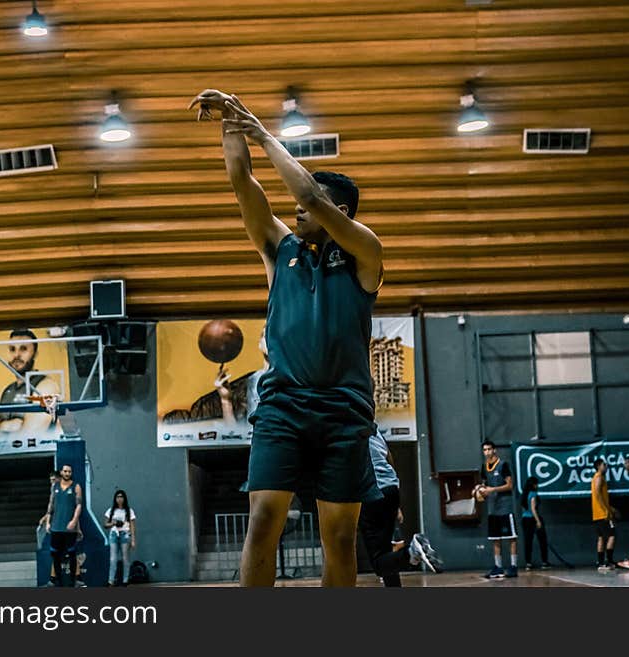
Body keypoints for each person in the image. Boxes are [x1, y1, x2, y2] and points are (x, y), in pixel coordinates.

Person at [189, 89, 384, 587]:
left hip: (344, 410)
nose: (295, 213)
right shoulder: (281, 250)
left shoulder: (365, 252)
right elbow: (242, 182)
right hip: (284, 405)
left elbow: (310, 197)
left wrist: (263, 132)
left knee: (339, 538)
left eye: (310, 206)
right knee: (262, 523)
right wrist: (232, 123)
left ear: (340, 211)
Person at [358, 432, 441, 586]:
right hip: (391, 489)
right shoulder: (375, 431)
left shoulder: (347, 428)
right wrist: (397, 506)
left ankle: (412, 551)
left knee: (379, 563)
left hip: (371, 491)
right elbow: (389, 458)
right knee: (386, 553)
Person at [0, 329, 61, 435]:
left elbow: (30, 436)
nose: (17, 355)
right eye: (12, 349)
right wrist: (2, 426)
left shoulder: (46, 386)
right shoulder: (7, 390)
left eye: (23, 349)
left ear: (35, 354)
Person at [479, 440, 518, 578]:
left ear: (494, 450)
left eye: (489, 449)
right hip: (492, 508)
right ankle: (498, 567)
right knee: (495, 539)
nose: (487, 452)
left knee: (511, 537)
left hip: (505, 507)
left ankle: (513, 566)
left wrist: (493, 489)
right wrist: (479, 491)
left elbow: (510, 485)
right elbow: (483, 485)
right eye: (485, 450)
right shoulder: (484, 467)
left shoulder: (503, 465)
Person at [45, 464, 82, 586]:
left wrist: (74, 521)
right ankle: (58, 581)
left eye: (69, 471)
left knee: (72, 555)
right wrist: (48, 522)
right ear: (61, 472)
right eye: (65, 471)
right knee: (55, 555)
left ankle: (74, 581)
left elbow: (79, 506)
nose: (67, 473)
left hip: (69, 529)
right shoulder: (54, 487)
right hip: (56, 527)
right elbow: (51, 505)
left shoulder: (76, 486)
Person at [104, 490, 136, 586]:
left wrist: (133, 540)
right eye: (117, 497)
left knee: (125, 558)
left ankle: (125, 580)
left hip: (125, 534)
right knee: (113, 558)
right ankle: (111, 581)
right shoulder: (111, 510)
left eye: (121, 497)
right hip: (114, 534)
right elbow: (105, 524)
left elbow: (132, 526)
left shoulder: (129, 511)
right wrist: (113, 523)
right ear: (115, 498)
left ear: (124, 498)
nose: (119, 499)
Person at [590, 457, 617, 572]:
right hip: (602, 514)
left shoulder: (596, 477)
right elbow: (597, 494)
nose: (606, 466)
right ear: (599, 466)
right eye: (604, 465)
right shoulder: (599, 477)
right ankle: (609, 561)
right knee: (612, 535)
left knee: (601, 538)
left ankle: (601, 563)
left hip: (597, 514)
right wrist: (606, 510)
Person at [520, 476, 551, 571]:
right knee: (542, 540)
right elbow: (533, 509)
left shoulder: (524, 495)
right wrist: (538, 521)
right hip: (533, 518)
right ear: (534, 485)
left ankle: (528, 563)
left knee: (528, 541)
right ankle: (544, 562)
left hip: (525, 519)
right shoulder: (533, 494)